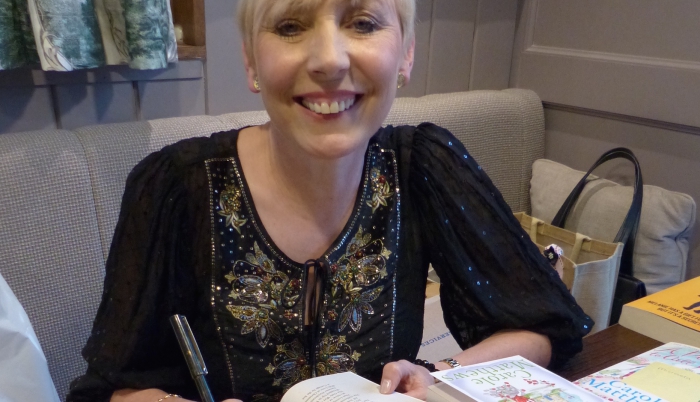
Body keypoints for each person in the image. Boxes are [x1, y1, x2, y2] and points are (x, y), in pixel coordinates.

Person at [67, 0, 593, 401]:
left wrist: (435, 375)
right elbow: (112, 387)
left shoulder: (424, 166)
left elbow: (543, 325)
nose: (328, 60)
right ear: (251, 61)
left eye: (362, 23)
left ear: (406, 53)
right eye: (290, 26)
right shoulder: (175, 185)